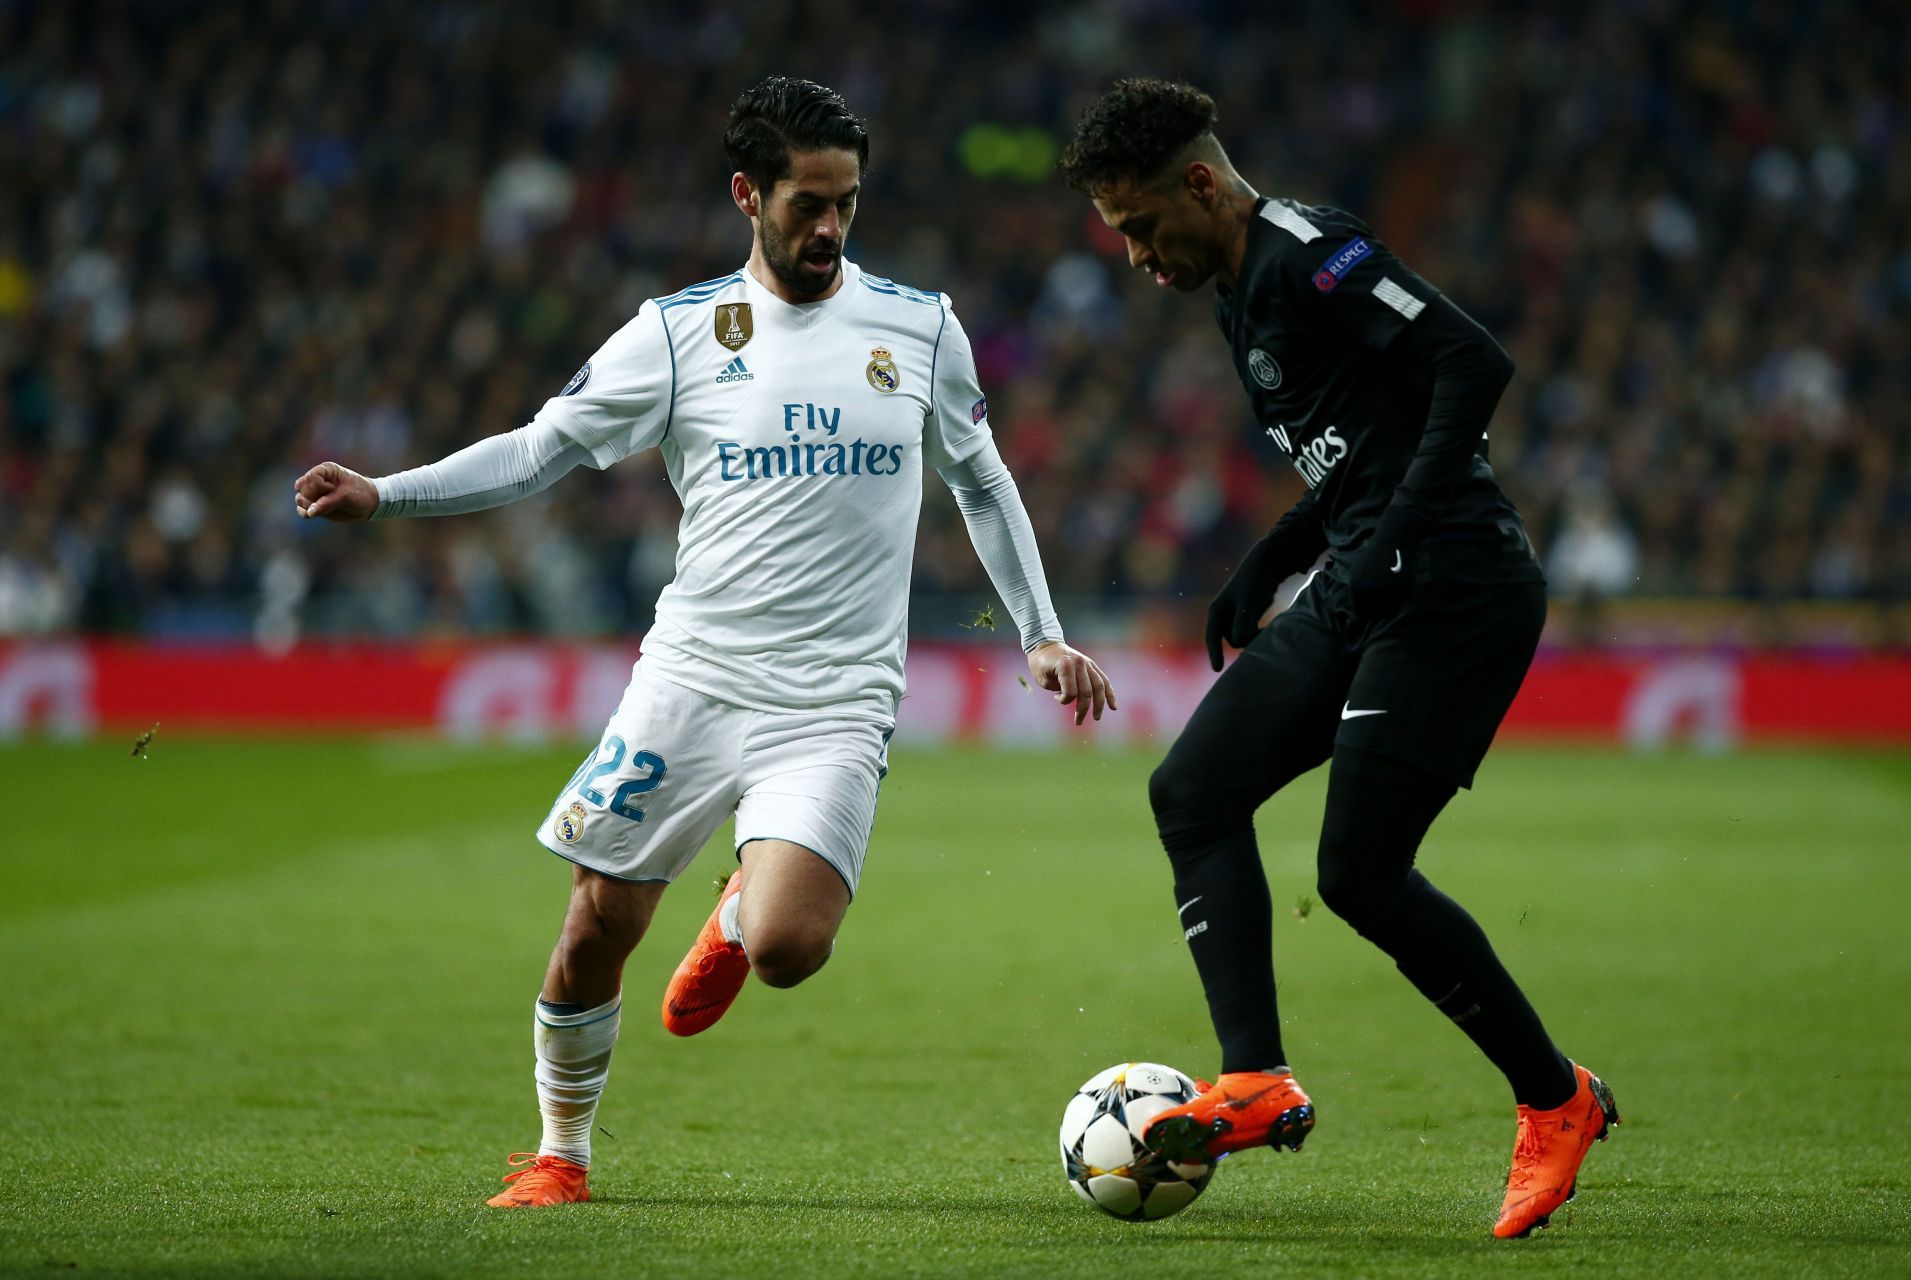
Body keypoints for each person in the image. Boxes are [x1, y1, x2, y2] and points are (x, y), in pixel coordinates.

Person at [296, 76, 1115, 1209]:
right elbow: (540, 452)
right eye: (807, 204)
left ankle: (737, 907)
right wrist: (387, 493)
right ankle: (559, 1155)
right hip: (692, 678)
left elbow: (982, 477)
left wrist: (1041, 634)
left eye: (847, 203)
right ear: (747, 194)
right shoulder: (677, 335)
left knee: (787, 946)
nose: (829, 227)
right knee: (598, 922)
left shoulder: (919, 326)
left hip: (833, 698)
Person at [1057, 79, 1616, 1239]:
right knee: (1192, 790)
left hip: (1455, 588)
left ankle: (1556, 1096)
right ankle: (1256, 1076)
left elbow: (1474, 363)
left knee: (1359, 873)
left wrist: (1384, 544)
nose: (1136, 257)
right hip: (1367, 574)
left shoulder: (1309, 253)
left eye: (1142, 226)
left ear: (1202, 186)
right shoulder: (1231, 289)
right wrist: (1276, 553)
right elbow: (1364, 444)